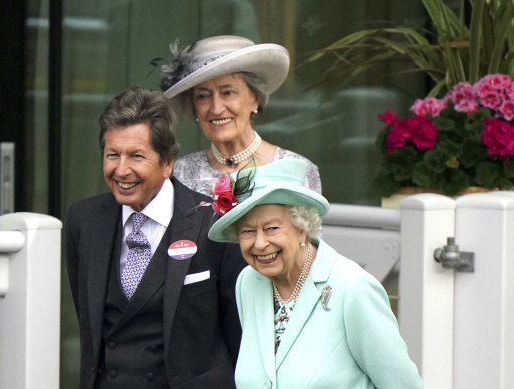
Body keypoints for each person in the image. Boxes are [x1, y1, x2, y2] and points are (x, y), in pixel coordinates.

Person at [65, 86, 245, 389]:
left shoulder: (214, 224)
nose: (121, 170)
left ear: (167, 162)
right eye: (112, 155)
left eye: (136, 156)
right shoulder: (83, 220)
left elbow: (237, 332)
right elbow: (88, 320)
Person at [207, 159, 424, 388]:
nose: (260, 243)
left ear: (302, 228)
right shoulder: (249, 282)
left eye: (272, 228)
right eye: (248, 231)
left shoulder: (353, 287)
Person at [159, 35, 321, 195]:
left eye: (228, 92)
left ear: (255, 99)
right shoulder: (180, 174)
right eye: (203, 96)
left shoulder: (297, 172)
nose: (216, 108)